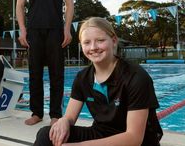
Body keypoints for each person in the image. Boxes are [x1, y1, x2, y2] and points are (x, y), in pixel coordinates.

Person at [34, 17, 163, 146]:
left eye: (100, 40)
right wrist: (64, 121)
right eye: (87, 42)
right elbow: (70, 117)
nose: (93, 47)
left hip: (137, 142)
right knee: (47, 135)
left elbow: (134, 138)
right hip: (101, 133)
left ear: (113, 41)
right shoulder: (82, 78)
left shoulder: (135, 76)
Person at [16, 0, 75, 126]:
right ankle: (37, 113)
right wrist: (23, 30)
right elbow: (20, 6)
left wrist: (67, 28)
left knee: (57, 73)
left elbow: (69, 3)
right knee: (35, 74)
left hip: (55, 30)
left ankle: (56, 115)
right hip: (34, 31)